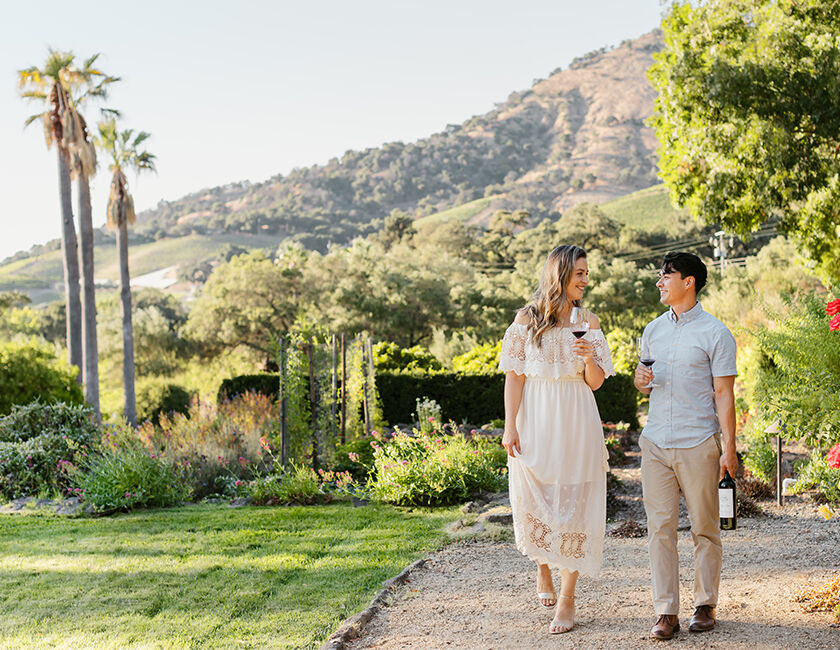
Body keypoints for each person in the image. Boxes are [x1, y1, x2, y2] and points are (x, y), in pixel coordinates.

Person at [499, 244, 614, 635]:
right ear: (560, 273)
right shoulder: (526, 319)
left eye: (586, 273)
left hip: (577, 416)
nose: (586, 279)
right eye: (580, 272)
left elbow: (596, 383)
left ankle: (567, 599)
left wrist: (586, 358)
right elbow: (514, 376)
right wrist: (509, 426)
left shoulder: (590, 322)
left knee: (576, 500)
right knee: (537, 494)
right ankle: (542, 565)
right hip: (537, 416)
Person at [634, 252, 737, 641]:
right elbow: (644, 381)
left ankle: (705, 605)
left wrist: (729, 447)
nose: (660, 282)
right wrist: (640, 379)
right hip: (656, 442)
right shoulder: (652, 330)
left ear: (688, 281)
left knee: (705, 529)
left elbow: (725, 395)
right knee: (659, 529)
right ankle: (666, 612)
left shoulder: (715, 333)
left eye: (666, 276)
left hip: (699, 442)